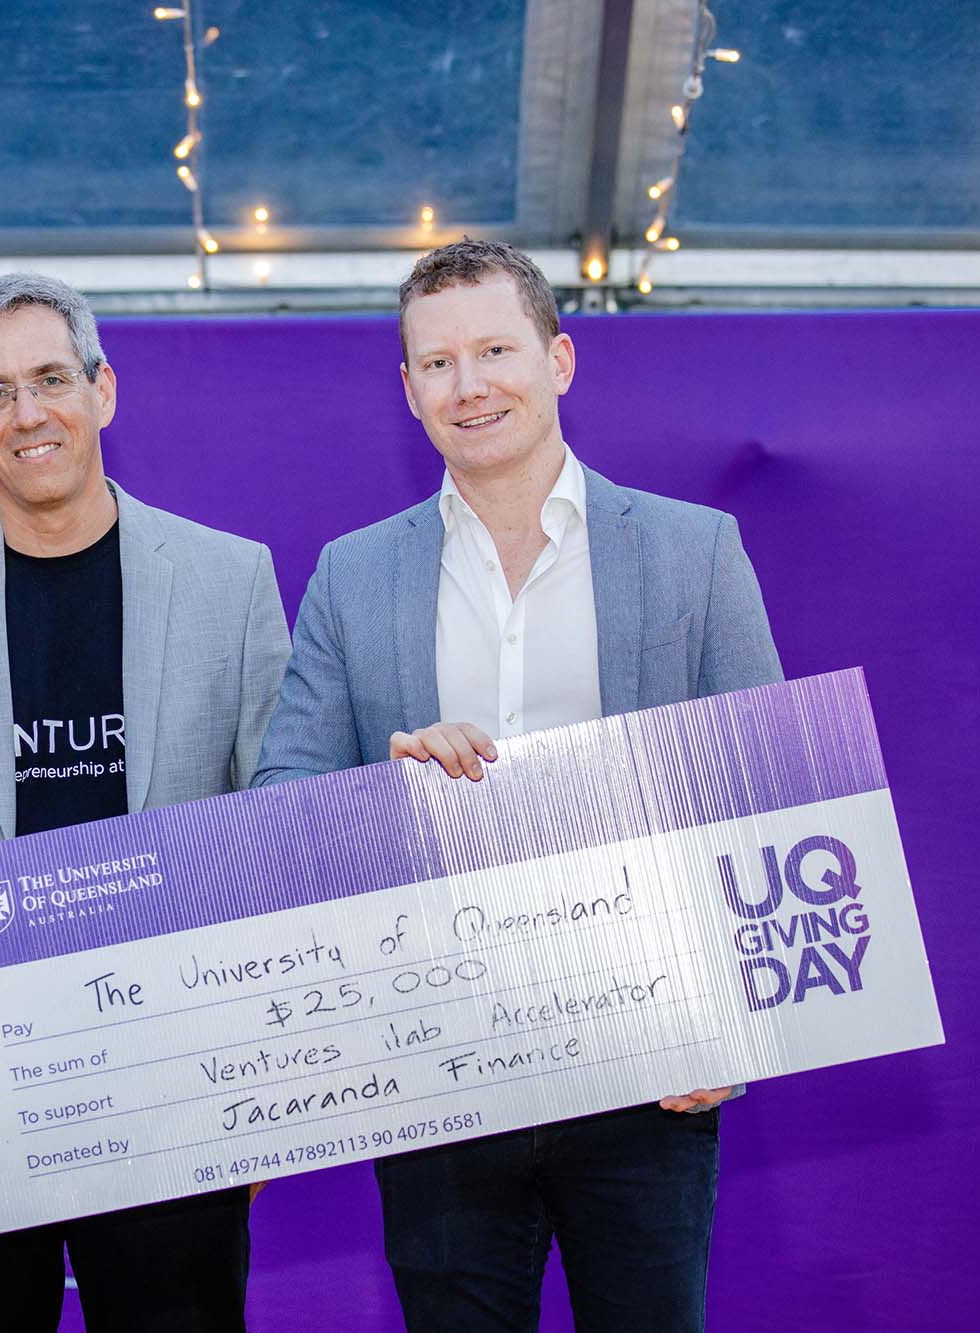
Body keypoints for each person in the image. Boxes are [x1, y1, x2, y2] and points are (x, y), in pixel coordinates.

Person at [252, 238, 782, 1333]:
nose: (469, 385)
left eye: (495, 349)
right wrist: (386, 789)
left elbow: (764, 794)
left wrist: (733, 1024)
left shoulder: (694, 552)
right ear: (406, 391)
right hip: (437, 1074)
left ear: (559, 359)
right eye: (436, 364)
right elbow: (281, 803)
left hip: (647, 1067)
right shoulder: (353, 575)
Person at [0, 273, 291, 1330]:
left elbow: (268, 846)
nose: (27, 414)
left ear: (102, 389)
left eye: (49, 379)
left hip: (174, 1075)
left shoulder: (229, 582)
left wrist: (264, 1087)